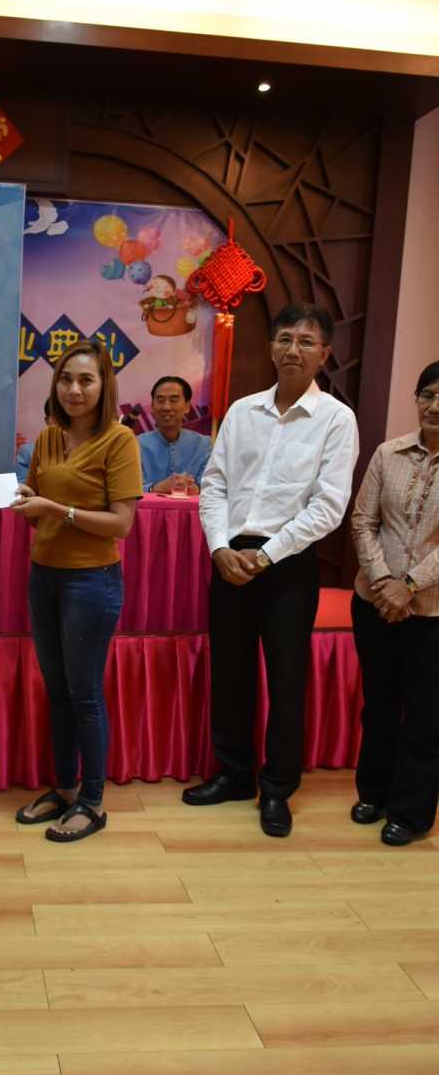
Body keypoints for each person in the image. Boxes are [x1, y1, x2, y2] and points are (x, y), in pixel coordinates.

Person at [187, 303, 359, 837]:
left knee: (286, 680)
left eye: (306, 342)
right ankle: (235, 775)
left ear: (324, 354)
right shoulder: (243, 412)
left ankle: (278, 787)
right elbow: (214, 484)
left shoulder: (336, 419)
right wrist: (220, 547)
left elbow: (328, 507)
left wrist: (266, 555)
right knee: (230, 673)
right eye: (285, 339)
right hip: (229, 558)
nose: (293, 350)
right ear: (271, 347)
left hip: (288, 566)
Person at [12, 339, 143, 842]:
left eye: (86, 380)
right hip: (43, 575)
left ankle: (93, 801)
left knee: (84, 694)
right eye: (66, 379)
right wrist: (28, 500)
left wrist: (55, 509)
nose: (74, 389)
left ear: (104, 386)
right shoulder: (48, 437)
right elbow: (36, 509)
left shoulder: (120, 440)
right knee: (58, 691)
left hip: (91, 581)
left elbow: (121, 524)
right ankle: (65, 788)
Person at [349, 361, 439, 845]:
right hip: (374, 603)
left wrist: (411, 584)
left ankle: (410, 811)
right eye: (428, 394)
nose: (435, 406)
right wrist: (384, 581)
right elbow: (363, 520)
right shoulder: (389, 453)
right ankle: (374, 793)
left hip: (433, 612)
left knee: (425, 715)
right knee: (379, 705)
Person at [138, 376, 211, 492]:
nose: (166, 407)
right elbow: (127, 489)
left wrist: (196, 489)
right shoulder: (136, 445)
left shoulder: (204, 445)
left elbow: (211, 486)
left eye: (173, 400)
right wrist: (156, 488)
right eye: (160, 400)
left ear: (187, 407)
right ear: (152, 407)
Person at [15, 398, 51, 484]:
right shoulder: (29, 451)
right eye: (57, 417)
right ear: (47, 421)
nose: (62, 422)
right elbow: (22, 485)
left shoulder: (82, 450)